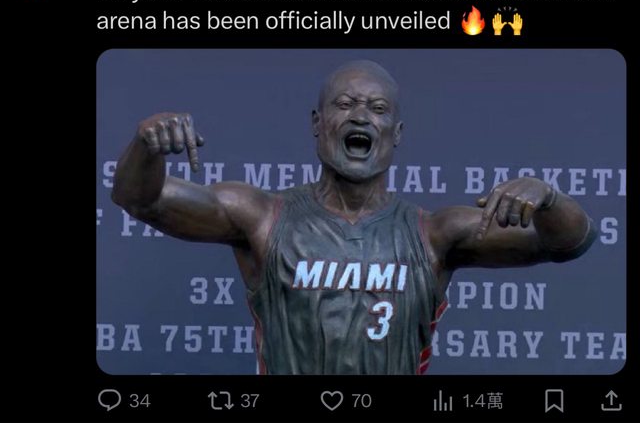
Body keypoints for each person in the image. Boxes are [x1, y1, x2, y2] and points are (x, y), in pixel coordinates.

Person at [112, 60, 597, 375]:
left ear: (396, 132)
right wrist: (146, 145)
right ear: (318, 123)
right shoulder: (262, 217)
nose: (361, 116)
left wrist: (549, 198)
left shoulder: (434, 234)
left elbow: (568, 242)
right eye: (344, 105)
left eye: (378, 108)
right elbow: (141, 199)